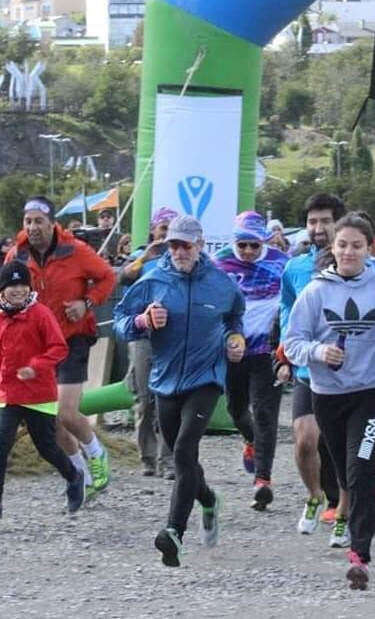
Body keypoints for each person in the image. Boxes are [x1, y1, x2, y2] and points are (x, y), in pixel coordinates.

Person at [284, 213, 375, 590]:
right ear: (333, 248)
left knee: (362, 467)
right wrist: (318, 351)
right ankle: (349, 514)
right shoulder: (314, 292)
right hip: (328, 395)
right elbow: (292, 344)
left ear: (367, 249)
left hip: (372, 392)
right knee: (344, 472)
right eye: (342, 245)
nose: (349, 252)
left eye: (356, 246)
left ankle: (359, 552)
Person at [114, 215, 246, 567]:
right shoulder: (153, 279)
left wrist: (235, 340)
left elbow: (234, 319)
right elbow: (121, 322)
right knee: (183, 457)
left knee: (185, 450)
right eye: (174, 244)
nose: (179, 251)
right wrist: (142, 321)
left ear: (200, 245)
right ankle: (208, 499)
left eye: (186, 244)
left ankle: (173, 532)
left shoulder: (221, 283)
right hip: (165, 381)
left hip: (206, 378)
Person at [6, 196, 115, 495]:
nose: (32, 227)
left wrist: (87, 302)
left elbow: (107, 277)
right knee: (51, 423)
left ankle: (97, 454)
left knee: (66, 412)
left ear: (52, 222)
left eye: (38, 220)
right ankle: (80, 474)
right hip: (38, 346)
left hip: (72, 337)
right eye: (28, 221)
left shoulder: (76, 251)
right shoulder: (17, 256)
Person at [213, 211, 289, 510]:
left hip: (267, 351)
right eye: (242, 245)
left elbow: (293, 303)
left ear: (264, 242)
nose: (247, 251)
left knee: (266, 413)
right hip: (234, 349)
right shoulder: (219, 262)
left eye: (254, 246)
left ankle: (263, 480)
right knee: (235, 408)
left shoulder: (281, 263)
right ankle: (250, 440)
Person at [280, 193, 345, 533]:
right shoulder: (295, 267)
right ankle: (316, 495)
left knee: (336, 440)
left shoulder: (358, 264)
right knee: (306, 439)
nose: (318, 229)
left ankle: (342, 501)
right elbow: (286, 312)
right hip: (307, 367)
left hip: (348, 372)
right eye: (312, 222)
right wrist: (285, 352)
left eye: (325, 221)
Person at [0, 261, 85, 519]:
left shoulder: (41, 314)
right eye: (11, 285)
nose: (17, 290)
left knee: (46, 447)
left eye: (22, 284)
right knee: (1, 446)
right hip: (8, 392)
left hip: (38, 393)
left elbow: (59, 348)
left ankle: (73, 475)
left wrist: (35, 367)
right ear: (2, 290)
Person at [119, 207, 178, 479]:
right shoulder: (141, 256)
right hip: (142, 337)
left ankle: (169, 460)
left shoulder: (181, 256)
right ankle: (147, 458)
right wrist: (146, 255)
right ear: (154, 230)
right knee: (144, 401)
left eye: (171, 229)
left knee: (169, 399)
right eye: (162, 229)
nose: (166, 234)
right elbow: (123, 276)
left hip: (172, 339)